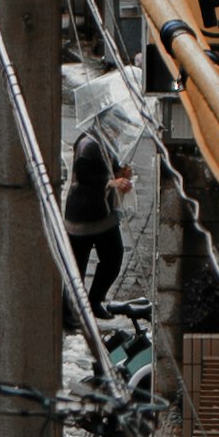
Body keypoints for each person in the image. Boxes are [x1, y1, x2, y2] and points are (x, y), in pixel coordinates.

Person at [65, 125, 128, 307]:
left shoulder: (106, 143)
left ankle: (95, 301)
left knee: (113, 257)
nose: (118, 132)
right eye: (115, 128)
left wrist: (121, 173)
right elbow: (83, 174)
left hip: (103, 214)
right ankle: (71, 312)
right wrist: (110, 182)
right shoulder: (88, 144)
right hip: (82, 215)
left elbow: (112, 168)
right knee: (77, 267)